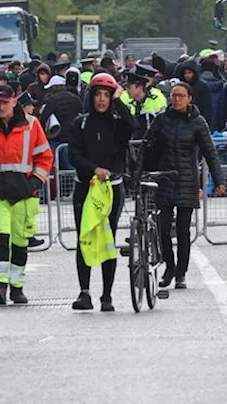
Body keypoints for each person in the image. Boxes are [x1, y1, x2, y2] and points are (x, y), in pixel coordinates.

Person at [0, 84, 53, 306]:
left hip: (24, 193)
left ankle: (17, 287)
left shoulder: (32, 125)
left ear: (14, 102)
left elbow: (44, 157)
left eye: (5, 102)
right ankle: (0, 284)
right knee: (1, 236)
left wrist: (35, 181)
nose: (1, 106)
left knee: (20, 241)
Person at [143, 82, 225, 289]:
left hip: (187, 181)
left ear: (189, 98)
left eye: (180, 95)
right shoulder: (162, 120)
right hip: (165, 179)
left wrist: (219, 180)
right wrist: (141, 170)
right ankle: (169, 267)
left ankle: (181, 273)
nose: (176, 99)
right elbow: (147, 144)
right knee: (162, 229)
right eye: (173, 95)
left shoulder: (198, 122)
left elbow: (210, 152)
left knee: (182, 230)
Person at [67, 74, 133, 312]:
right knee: (84, 238)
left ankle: (107, 295)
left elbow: (131, 127)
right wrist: (94, 169)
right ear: (91, 96)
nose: (102, 100)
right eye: (98, 95)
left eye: (107, 96)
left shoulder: (117, 123)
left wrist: (120, 100)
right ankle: (84, 292)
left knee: (107, 240)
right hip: (86, 187)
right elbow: (73, 155)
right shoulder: (80, 123)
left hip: (112, 189)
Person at [121, 70, 166, 138]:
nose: (126, 90)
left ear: (139, 87)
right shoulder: (132, 102)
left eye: (129, 87)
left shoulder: (155, 100)